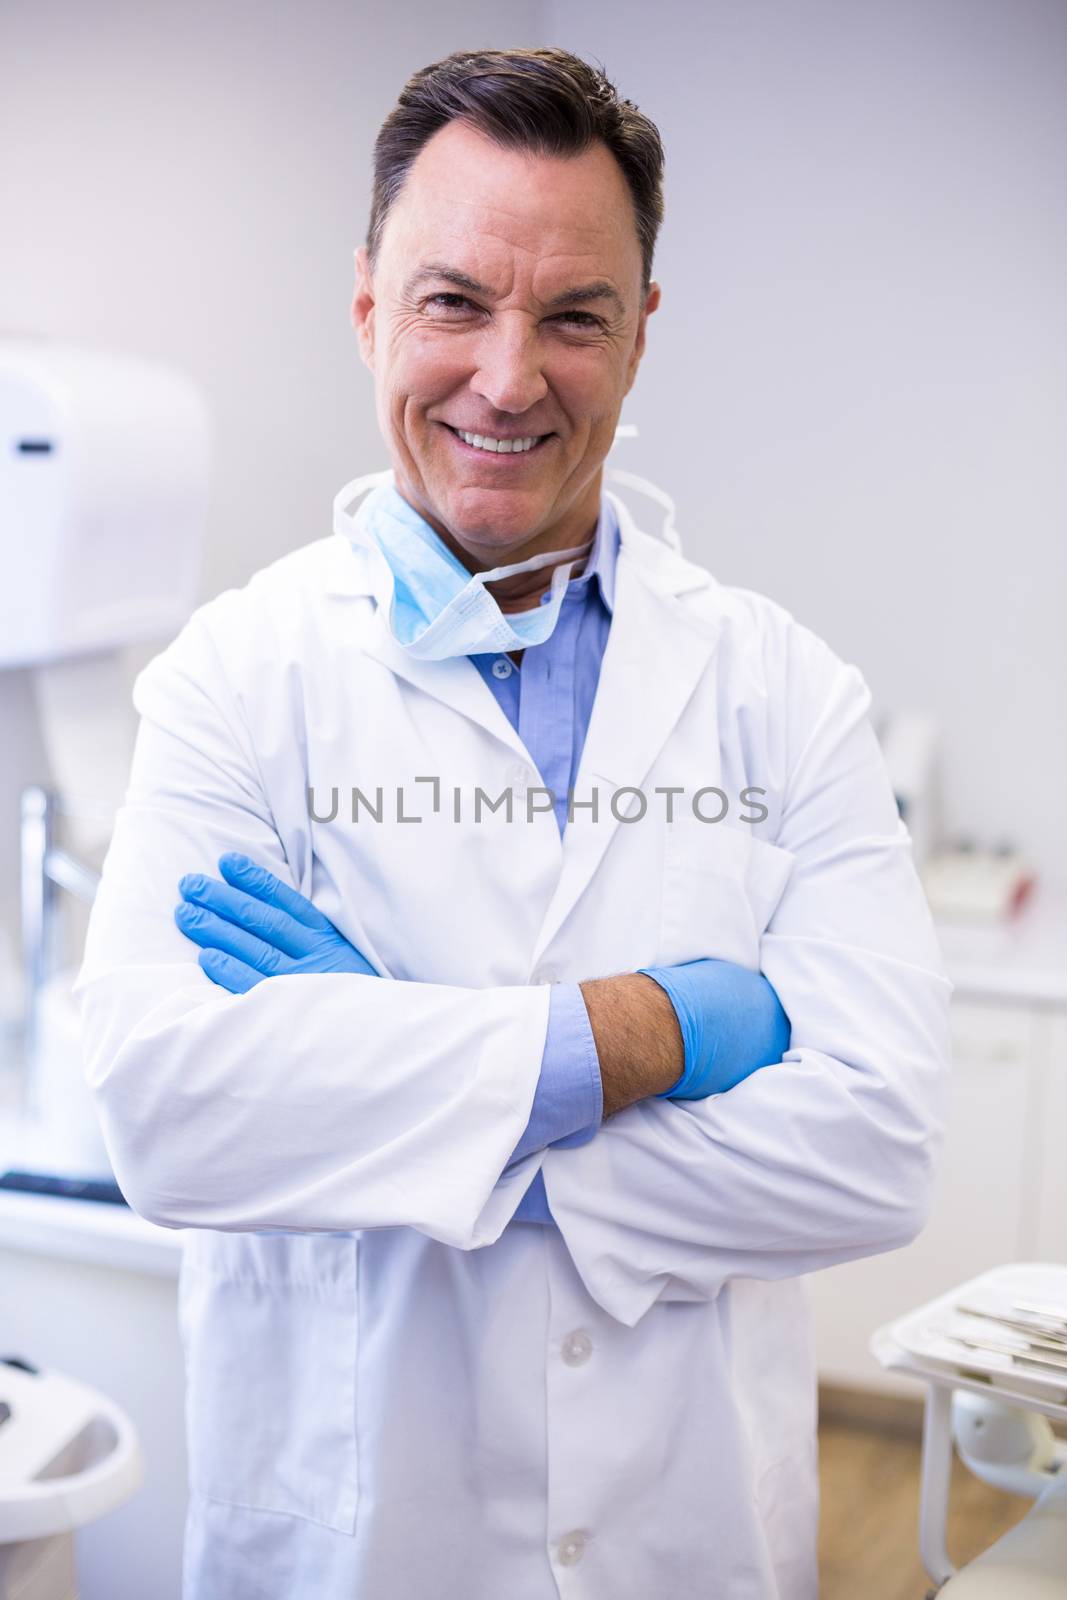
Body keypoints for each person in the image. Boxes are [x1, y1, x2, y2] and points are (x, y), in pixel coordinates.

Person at [74, 46, 952, 1600]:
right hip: (351, 1547)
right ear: (366, 305)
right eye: (453, 301)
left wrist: (390, 1062)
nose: (507, 374)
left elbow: (874, 1154)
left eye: (573, 316)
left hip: (685, 1542)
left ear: (642, 333)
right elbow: (167, 1113)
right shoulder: (236, 677)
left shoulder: (782, 690)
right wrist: (646, 1036)